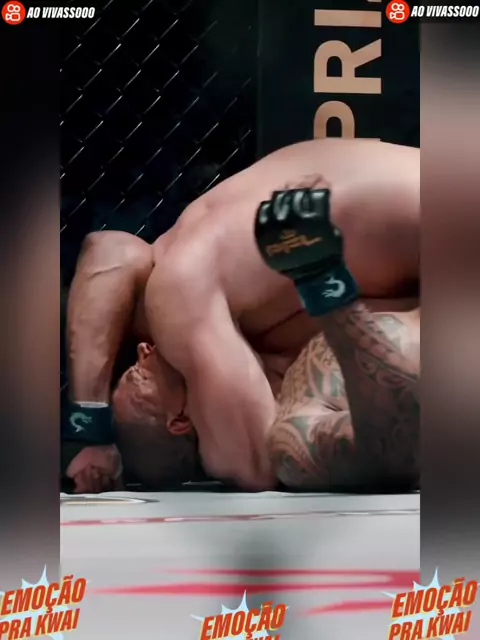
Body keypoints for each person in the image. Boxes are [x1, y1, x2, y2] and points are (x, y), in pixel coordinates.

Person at [63, 138, 419, 493]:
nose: (144, 354)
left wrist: (93, 437)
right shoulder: (199, 251)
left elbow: (255, 466)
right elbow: (111, 251)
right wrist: (90, 427)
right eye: (137, 376)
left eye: (132, 368)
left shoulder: (180, 289)